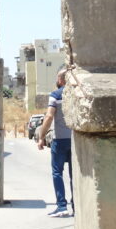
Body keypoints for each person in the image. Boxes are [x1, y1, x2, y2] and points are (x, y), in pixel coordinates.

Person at [36, 69, 73, 218]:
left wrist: (41, 136)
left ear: (61, 80)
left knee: (57, 173)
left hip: (60, 140)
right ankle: (76, 206)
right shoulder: (76, 94)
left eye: (58, 78)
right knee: (74, 175)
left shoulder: (56, 95)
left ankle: (62, 206)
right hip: (75, 141)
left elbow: (49, 116)